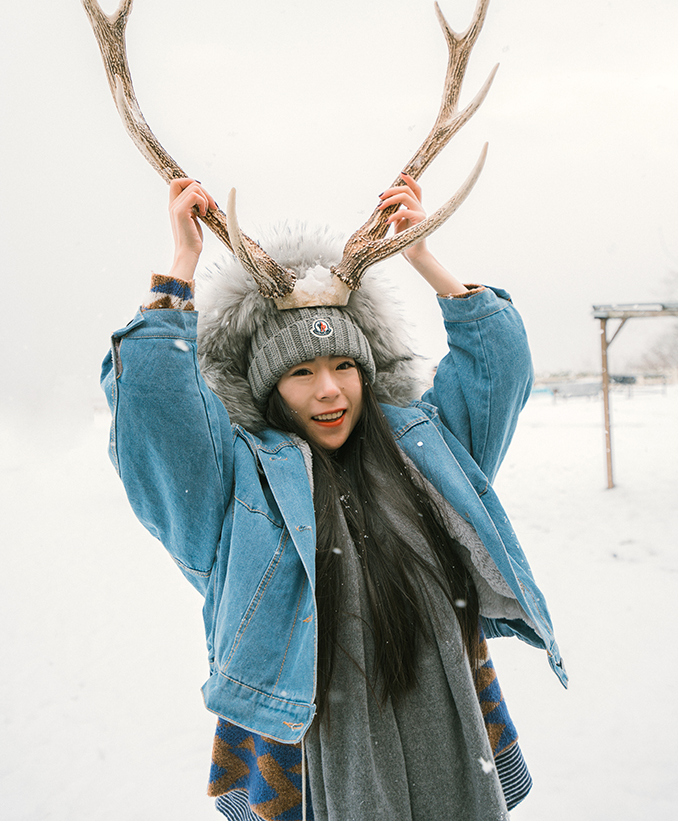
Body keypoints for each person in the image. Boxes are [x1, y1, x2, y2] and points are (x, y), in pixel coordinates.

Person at [101, 174, 566, 821]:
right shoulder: (238, 489)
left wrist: (424, 258)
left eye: (344, 365)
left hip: (449, 733)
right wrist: (179, 270)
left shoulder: (424, 452)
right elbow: (156, 418)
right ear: (268, 389)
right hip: (319, 755)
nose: (330, 390)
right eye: (301, 372)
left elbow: (497, 372)